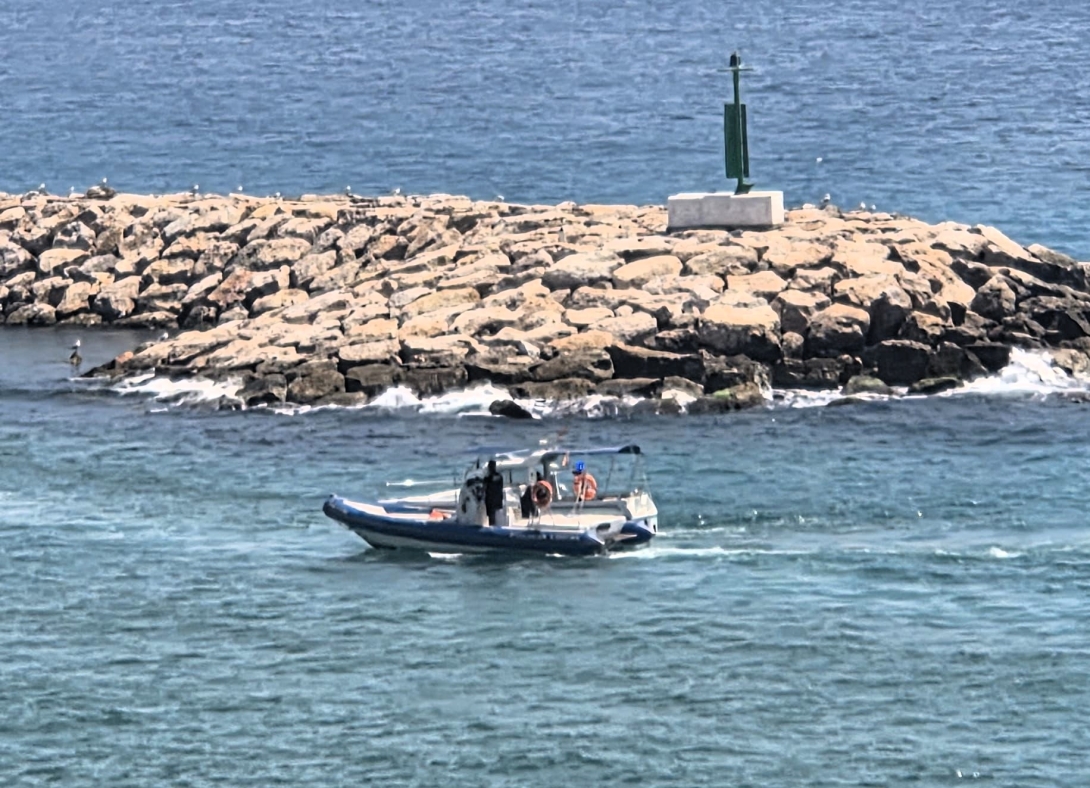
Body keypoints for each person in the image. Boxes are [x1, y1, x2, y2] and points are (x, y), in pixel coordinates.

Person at [483, 459, 505, 526]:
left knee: (492, 517)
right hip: (498, 499)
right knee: (495, 517)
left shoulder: (488, 478)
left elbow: (484, 486)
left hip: (490, 500)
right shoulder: (499, 476)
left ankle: (492, 529)